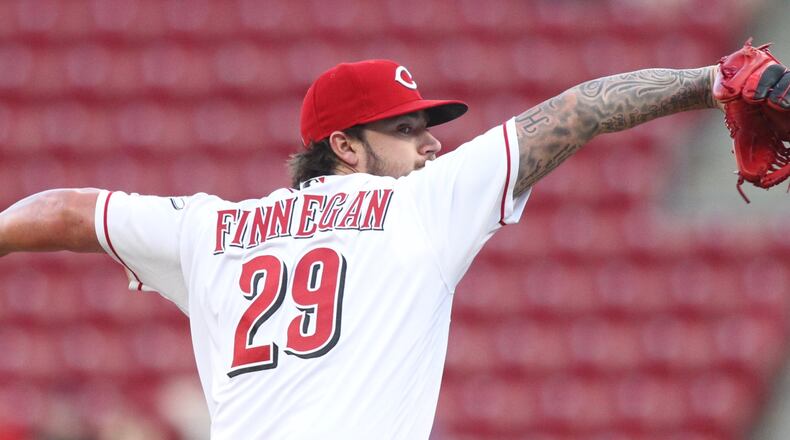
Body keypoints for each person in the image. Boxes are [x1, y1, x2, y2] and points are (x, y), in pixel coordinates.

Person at [0, 49, 771, 438]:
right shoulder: (417, 210)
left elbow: (70, 210)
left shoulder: (212, 229)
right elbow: (580, 111)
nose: (430, 148)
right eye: (406, 131)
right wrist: (712, 80)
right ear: (344, 146)